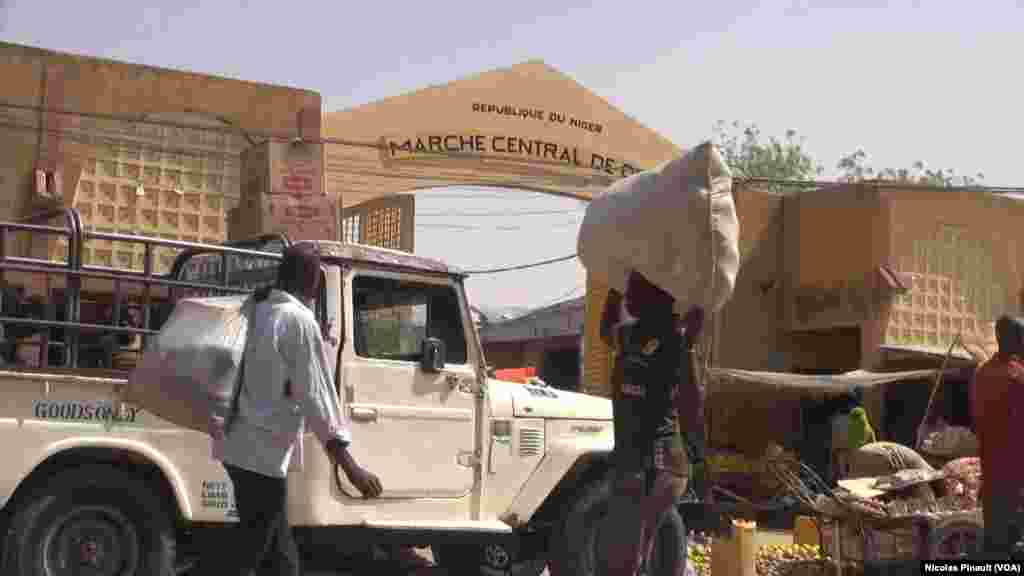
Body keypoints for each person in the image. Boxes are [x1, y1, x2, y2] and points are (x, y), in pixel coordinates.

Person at [200, 244, 383, 576]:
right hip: (261, 453)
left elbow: (276, 373)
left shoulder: (258, 307)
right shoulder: (298, 320)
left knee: (279, 551)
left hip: (236, 445)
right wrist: (350, 466)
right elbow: (316, 394)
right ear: (311, 280)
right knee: (251, 550)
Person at [597, 271, 702, 576]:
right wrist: (615, 282)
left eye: (633, 290)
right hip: (642, 464)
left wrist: (701, 462)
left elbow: (691, 403)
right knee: (629, 555)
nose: (627, 298)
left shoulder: (672, 340)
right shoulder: (631, 336)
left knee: (626, 558)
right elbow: (605, 329)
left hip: (653, 466)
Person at [971, 315, 1024, 559]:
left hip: (992, 472)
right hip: (1015, 474)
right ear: (1016, 340)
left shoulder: (981, 373)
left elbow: (978, 421)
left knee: (995, 542)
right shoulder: (1017, 375)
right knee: (1011, 543)